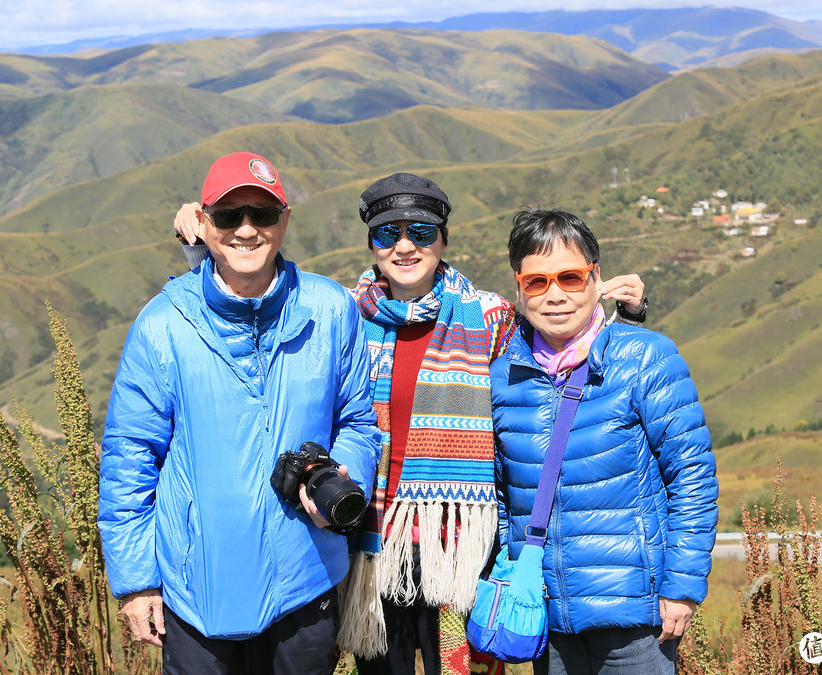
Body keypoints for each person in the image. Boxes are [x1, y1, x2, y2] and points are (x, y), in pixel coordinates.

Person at [172, 175, 647, 675]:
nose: (404, 246)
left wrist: (628, 318)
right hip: (371, 540)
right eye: (387, 234)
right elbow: (255, 319)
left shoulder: (492, 317)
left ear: (442, 239)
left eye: (420, 232)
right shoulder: (343, 315)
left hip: (461, 547)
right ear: (372, 244)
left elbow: (562, 353)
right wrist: (203, 243)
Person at [99, 151, 382, 675]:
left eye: (263, 215)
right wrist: (137, 582)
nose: (246, 230)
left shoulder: (330, 309)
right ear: (204, 224)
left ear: (286, 220)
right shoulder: (164, 324)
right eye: (229, 216)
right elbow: (129, 459)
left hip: (305, 577)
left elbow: (358, 422)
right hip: (195, 590)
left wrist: (343, 480)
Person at [490, 208, 718, 675]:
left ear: (597, 280)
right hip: (547, 618)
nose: (555, 295)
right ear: (518, 288)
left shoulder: (645, 358)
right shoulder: (504, 377)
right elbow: (499, 493)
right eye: (537, 282)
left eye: (570, 278)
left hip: (635, 619)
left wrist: (682, 586)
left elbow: (692, 476)